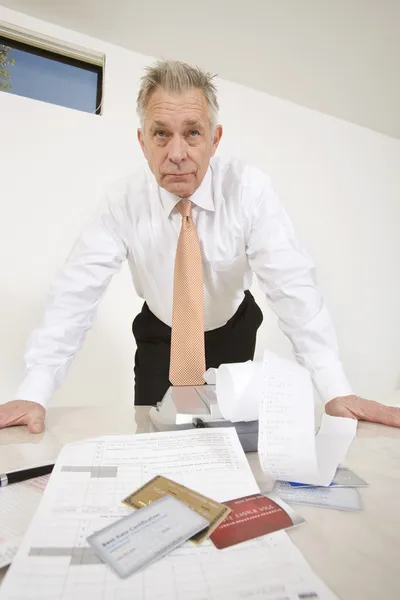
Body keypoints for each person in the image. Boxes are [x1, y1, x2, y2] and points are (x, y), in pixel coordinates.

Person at [1, 60, 399, 434]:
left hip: (233, 327)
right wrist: (33, 392)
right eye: (161, 134)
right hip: (161, 330)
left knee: (226, 433)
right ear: (143, 141)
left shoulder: (249, 190)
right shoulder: (121, 202)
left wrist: (334, 389)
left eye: (192, 132)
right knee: (155, 434)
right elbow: (75, 295)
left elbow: (294, 288)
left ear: (214, 139)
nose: (176, 154)